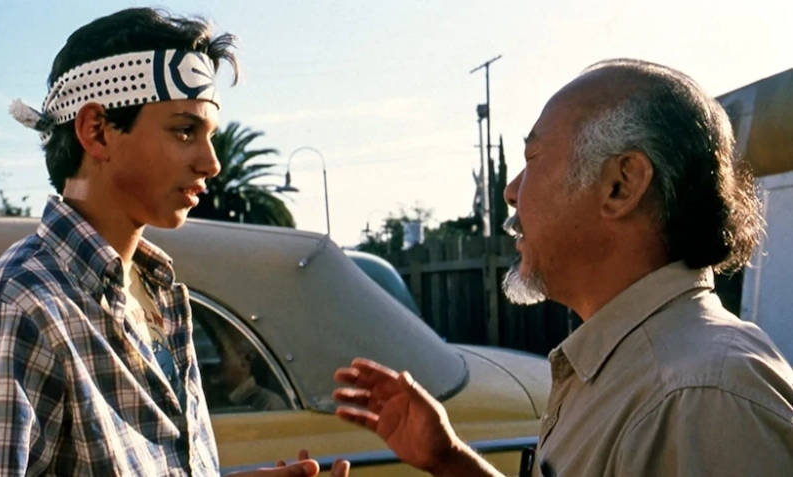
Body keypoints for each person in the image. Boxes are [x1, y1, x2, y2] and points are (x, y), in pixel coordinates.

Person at [333, 58, 793, 476]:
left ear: (621, 184)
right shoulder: (645, 373)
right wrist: (450, 460)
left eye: (533, 158)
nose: (511, 191)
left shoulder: (702, 396)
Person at [0, 7, 347, 477]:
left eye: (209, 135)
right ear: (96, 131)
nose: (211, 163)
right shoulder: (16, 308)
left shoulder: (159, 292)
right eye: (184, 131)